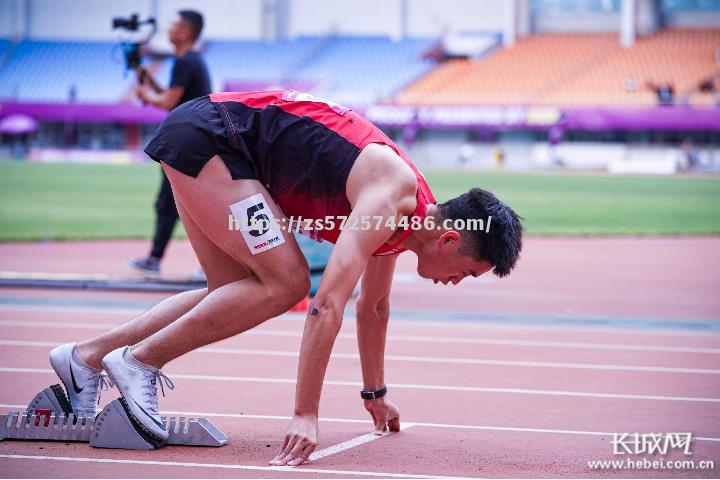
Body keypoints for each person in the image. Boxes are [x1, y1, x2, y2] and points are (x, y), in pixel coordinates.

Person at [48, 90, 523, 466]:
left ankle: (86, 358)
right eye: (466, 273)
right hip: (212, 141)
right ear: (448, 240)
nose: (456, 282)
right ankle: (139, 363)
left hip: (213, 143)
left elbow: (373, 305)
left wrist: (375, 395)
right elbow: (326, 304)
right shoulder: (389, 198)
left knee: (231, 292)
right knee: (289, 283)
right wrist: (305, 414)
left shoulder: (408, 219)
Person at [126, 10, 211, 278]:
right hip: (192, 142)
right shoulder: (189, 61)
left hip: (187, 144)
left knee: (175, 204)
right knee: (175, 203)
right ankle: (157, 259)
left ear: (185, 32)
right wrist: (148, 80)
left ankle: (159, 260)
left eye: (174, 25)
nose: (170, 29)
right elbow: (172, 94)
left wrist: (143, 94)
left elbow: (168, 102)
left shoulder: (186, 62)